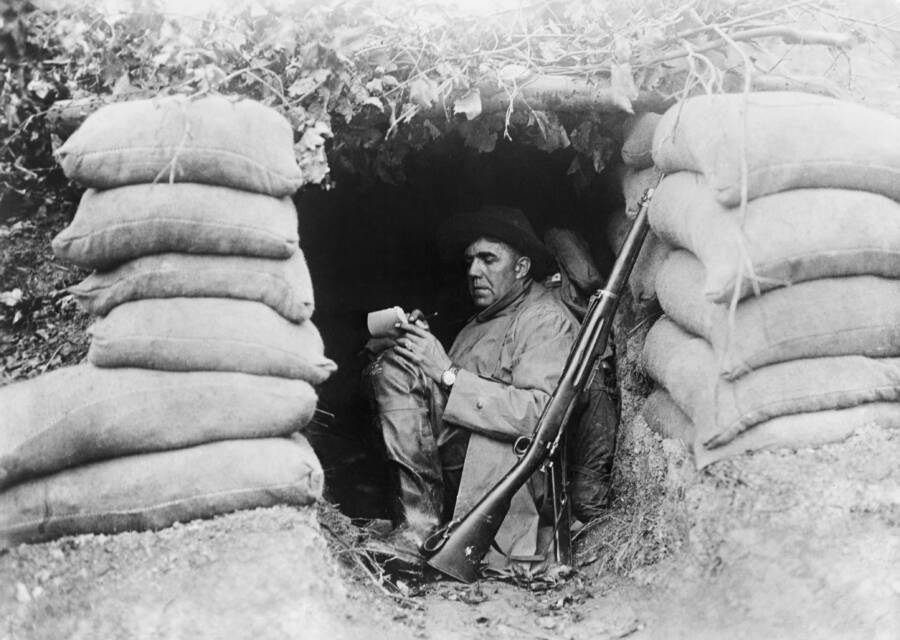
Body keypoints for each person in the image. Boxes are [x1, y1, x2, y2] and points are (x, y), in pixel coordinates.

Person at [365, 205, 579, 573]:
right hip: (468, 461)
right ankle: (415, 523)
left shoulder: (544, 319)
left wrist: (447, 374)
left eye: (488, 259)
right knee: (390, 365)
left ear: (522, 268)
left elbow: (542, 416)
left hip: (507, 472)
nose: (473, 271)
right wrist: (410, 347)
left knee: (398, 372)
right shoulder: (479, 322)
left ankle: (418, 532)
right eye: (470, 261)